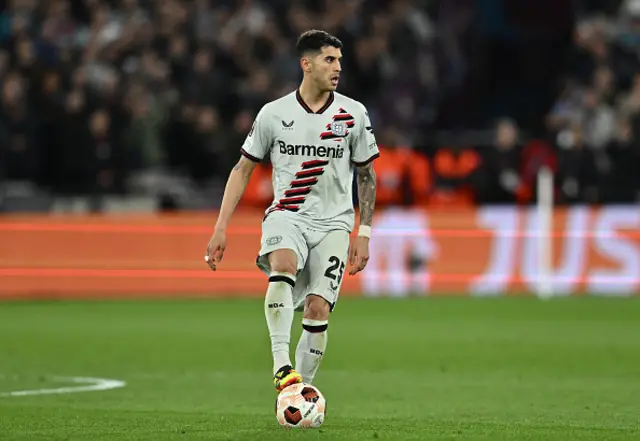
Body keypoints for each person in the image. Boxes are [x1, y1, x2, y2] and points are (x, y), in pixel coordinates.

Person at [204, 30, 379, 392]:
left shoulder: (353, 114)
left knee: (318, 309)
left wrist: (363, 233)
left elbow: (366, 175)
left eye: (340, 61)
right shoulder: (273, 114)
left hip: (334, 223)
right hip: (288, 214)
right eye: (330, 60)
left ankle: (298, 392)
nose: (338, 68)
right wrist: (221, 226)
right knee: (282, 264)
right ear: (307, 64)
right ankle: (282, 364)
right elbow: (242, 169)